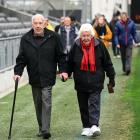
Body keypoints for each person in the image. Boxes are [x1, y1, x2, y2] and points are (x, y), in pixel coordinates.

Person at [13, 14, 68, 139]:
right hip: (34, 76)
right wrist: (18, 73)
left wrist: (63, 70)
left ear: (45, 23)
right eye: (35, 23)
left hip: (48, 75)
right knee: (38, 104)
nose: (38, 25)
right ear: (32, 24)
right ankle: (41, 127)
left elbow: (61, 56)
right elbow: (21, 59)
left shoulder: (54, 37)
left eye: (40, 23)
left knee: (46, 101)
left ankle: (45, 129)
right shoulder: (25, 38)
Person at [68, 23, 115, 137]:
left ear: (92, 36)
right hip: (80, 82)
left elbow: (107, 63)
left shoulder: (99, 45)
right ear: (80, 36)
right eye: (83, 36)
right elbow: (69, 62)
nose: (86, 38)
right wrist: (66, 73)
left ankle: (94, 125)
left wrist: (111, 77)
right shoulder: (76, 46)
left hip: (96, 81)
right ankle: (86, 126)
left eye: (88, 35)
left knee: (94, 103)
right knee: (83, 105)